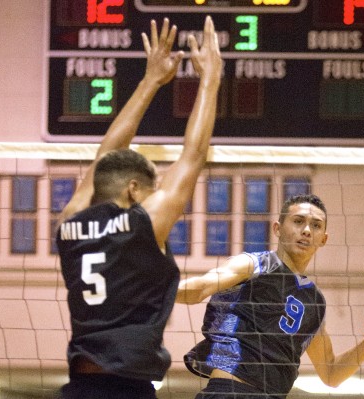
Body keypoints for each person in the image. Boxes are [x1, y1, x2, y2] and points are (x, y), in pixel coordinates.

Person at [56, 16, 222, 399]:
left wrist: (150, 81)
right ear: (133, 190)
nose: (157, 195)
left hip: (78, 387)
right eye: (152, 189)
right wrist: (210, 79)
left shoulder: (68, 223)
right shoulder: (140, 225)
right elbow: (193, 155)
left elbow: (105, 157)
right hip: (125, 388)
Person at [176, 193, 364, 398]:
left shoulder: (314, 301)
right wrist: (152, 288)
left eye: (315, 225)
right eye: (298, 221)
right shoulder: (254, 264)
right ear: (277, 228)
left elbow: (331, 373)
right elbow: (201, 287)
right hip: (230, 391)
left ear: (323, 239)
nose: (306, 230)